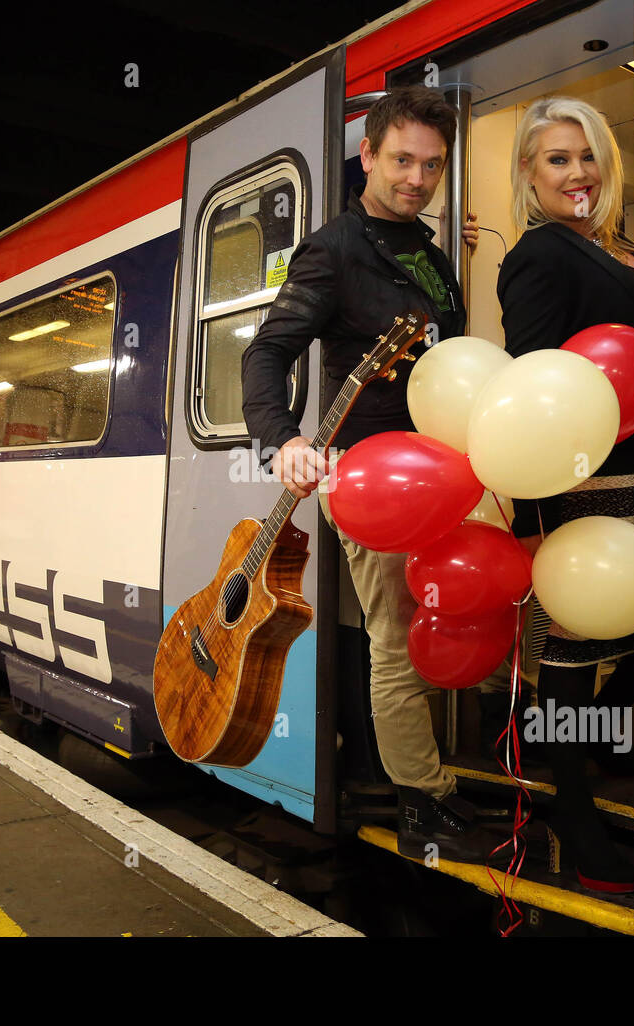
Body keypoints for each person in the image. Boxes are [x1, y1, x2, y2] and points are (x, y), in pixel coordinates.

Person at [240, 86, 498, 863]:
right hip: (378, 478)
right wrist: (282, 439)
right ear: (369, 156)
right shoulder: (333, 248)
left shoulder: (434, 253)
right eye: (402, 161)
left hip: (451, 466)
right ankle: (424, 800)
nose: (417, 178)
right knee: (395, 638)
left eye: (433, 165)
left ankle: (480, 754)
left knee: (472, 608)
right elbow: (266, 352)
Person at [494, 95, 634, 893]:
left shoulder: (620, 250)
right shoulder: (539, 256)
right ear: (529, 172)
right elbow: (532, 393)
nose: (577, 172)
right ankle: (573, 818)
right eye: (557, 159)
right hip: (578, 483)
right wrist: (535, 519)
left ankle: (583, 752)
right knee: (566, 655)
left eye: (587, 156)